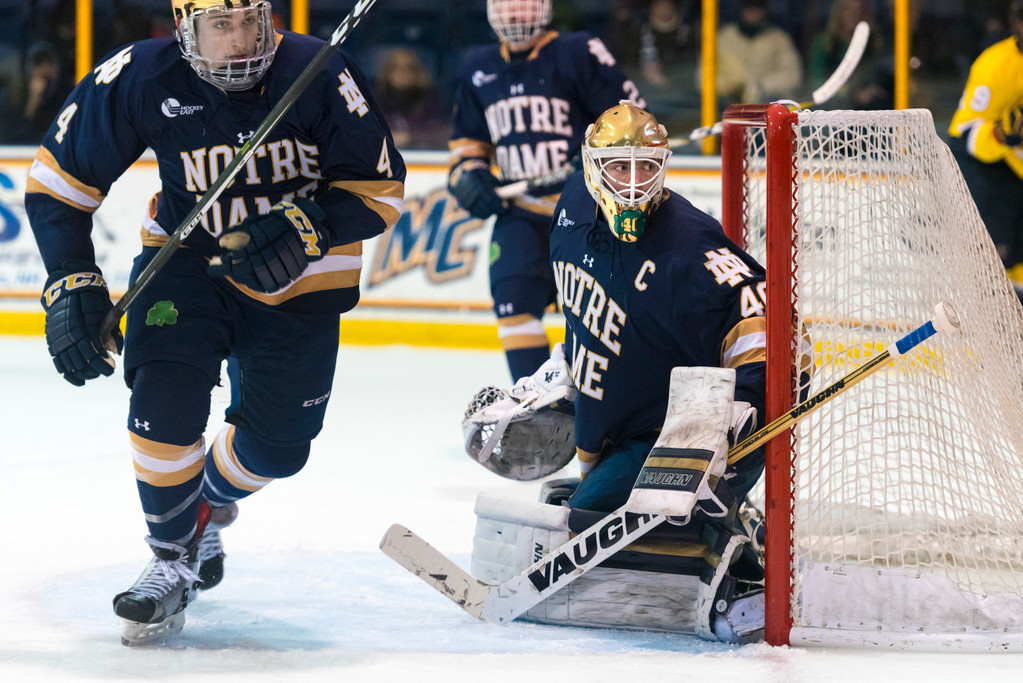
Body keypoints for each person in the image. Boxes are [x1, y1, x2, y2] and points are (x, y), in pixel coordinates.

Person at [24, 0, 405, 645]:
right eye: (220, 26)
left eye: (250, 21)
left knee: (279, 449)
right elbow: (59, 183)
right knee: (161, 399)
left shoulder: (319, 70)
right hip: (185, 263)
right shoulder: (142, 77)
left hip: (302, 280)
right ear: (184, 29)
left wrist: (308, 224)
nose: (240, 41)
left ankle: (201, 504)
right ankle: (171, 555)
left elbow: (380, 191)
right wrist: (71, 275)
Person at [463, 102, 769, 641]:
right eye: (618, 167)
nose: (632, 184)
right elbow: (589, 308)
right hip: (616, 422)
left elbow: (766, 324)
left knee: (587, 525)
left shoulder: (689, 247)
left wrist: (742, 406)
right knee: (578, 509)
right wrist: (566, 365)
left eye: (647, 166)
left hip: (673, 434)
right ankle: (722, 529)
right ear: (589, 167)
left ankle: (741, 570)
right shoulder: (573, 207)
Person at [447, 0, 645, 382]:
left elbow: (634, 119)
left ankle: (599, 410)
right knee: (513, 307)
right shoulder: (477, 66)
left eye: (524, 5)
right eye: (508, 6)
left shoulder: (578, 51)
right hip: (519, 214)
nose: (516, 15)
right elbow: (467, 145)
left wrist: (596, 152)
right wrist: (470, 179)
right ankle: (540, 410)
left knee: (599, 317)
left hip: (586, 215)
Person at [949, 0, 1023, 301]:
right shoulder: (995, 66)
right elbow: (963, 136)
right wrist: (1000, 133)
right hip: (997, 184)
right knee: (995, 283)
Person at [715, 0, 803, 105]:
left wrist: (760, 86)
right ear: (741, 10)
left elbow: (792, 75)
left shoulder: (778, 38)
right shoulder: (725, 36)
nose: (752, 13)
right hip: (729, 105)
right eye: (748, 8)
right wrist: (727, 87)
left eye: (757, 9)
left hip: (768, 104)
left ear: (764, 11)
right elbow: (705, 75)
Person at [807, 0, 891, 110]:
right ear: (838, 13)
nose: (854, 14)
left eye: (860, 10)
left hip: (868, 109)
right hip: (834, 109)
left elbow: (877, 76)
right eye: (848, 9)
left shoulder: (875, 45)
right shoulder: (823, 45)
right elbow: (817, 86)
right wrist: (855, 96)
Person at [374, 47, 449, 150]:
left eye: (409, 68)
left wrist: (410, 138)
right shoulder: (374, 103)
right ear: (386, 73)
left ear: (419, 73)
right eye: (395, 68)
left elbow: (445, 133)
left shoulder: (430, 103)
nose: (402, 73)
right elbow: (364, 134)